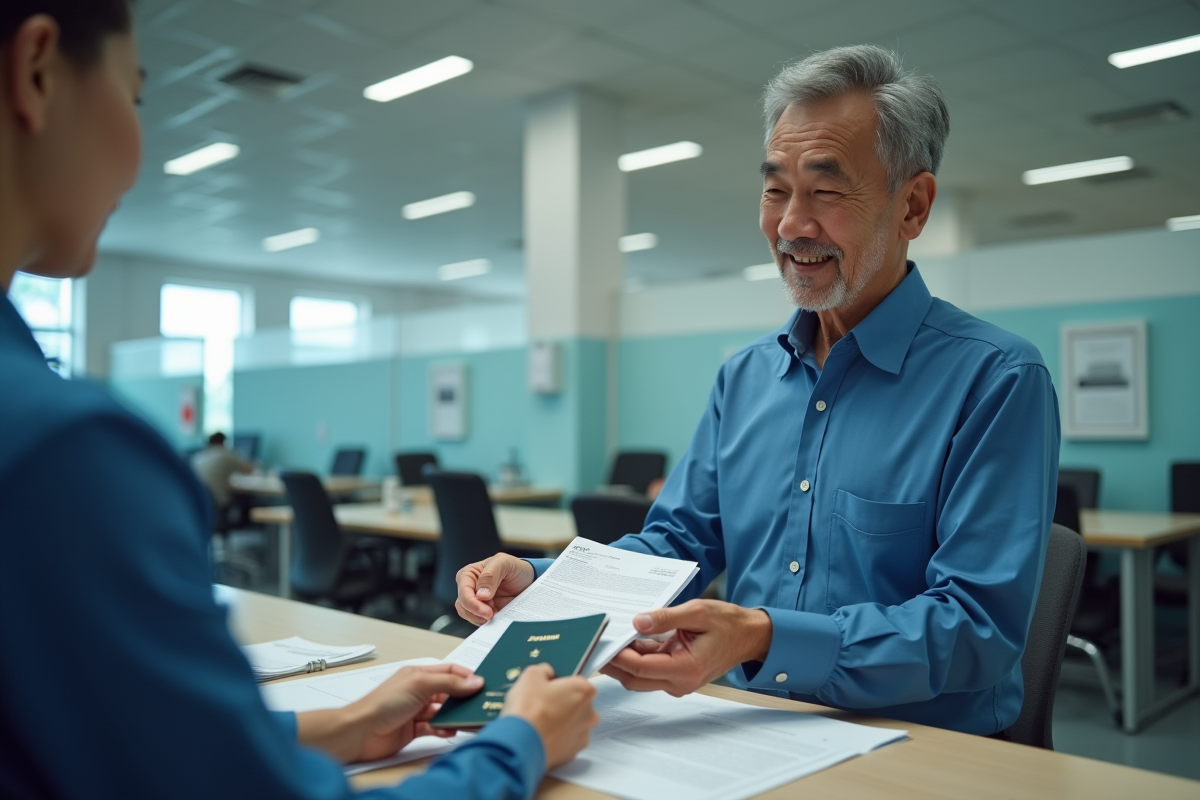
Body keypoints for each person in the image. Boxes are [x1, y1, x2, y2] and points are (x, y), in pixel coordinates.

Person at [0, 2, 596, 798]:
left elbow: (127, 741)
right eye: (135, 98)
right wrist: (517, 744)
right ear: (38, 71)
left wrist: (342, 724)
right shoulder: (63, 451)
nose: (138, 149)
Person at [456, 45, 1060, 737]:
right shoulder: (745, 377)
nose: (792, 225)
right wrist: (545, 584)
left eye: (827, 191)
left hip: (921, 747)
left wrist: (762, 637)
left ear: (912, 206)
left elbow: (976, 628)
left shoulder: (997, 379)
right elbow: (678, 543)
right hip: (748, 727)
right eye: (776, 190)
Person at [191, 431, 252, 525]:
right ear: (222, 442)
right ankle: (247, 528)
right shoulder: (226, 453)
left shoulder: (199, 455)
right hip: (217, 499)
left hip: (198, 498)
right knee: (250, 500)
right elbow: (248, 470)